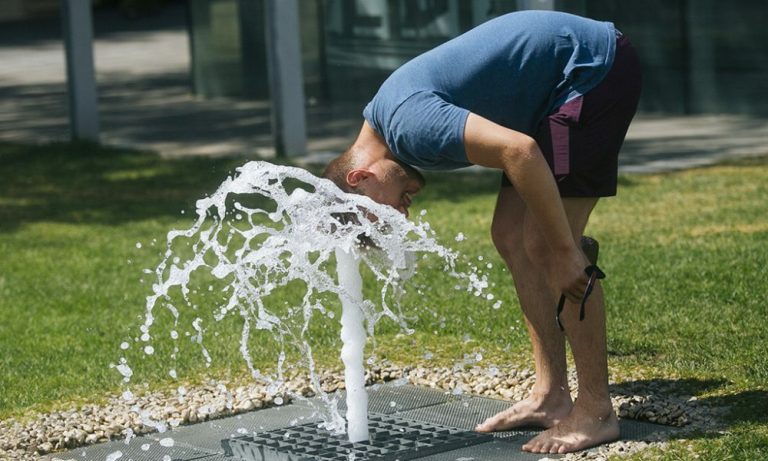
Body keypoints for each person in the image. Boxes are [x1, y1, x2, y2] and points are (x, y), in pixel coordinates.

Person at [323, 9, 641, 454]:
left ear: (360, 178)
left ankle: (597, 411)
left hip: (589, 70)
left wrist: (566, 251)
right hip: (550, 92)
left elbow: (520, 150)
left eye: (386, 212)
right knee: (511, 235)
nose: (403, 215)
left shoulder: (409, 127)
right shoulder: (390, 126)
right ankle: (551, 396)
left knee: (548, 246)